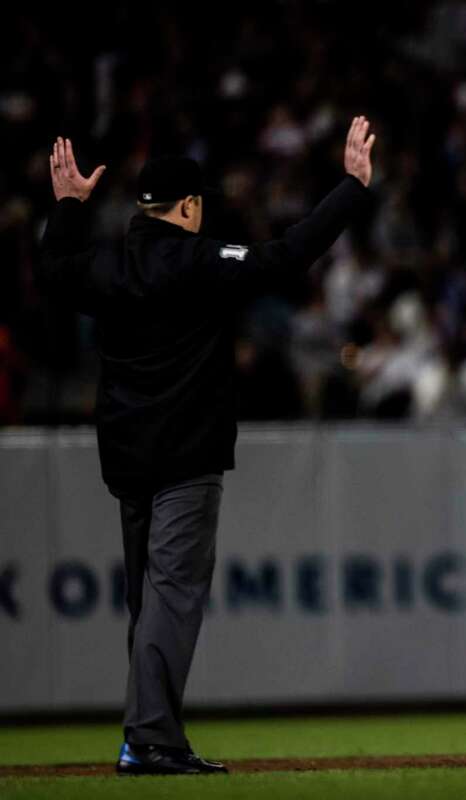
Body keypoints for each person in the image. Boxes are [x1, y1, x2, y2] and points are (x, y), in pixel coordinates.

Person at [38, 117, 376, 775]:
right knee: (171, 595)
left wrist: (70, 207)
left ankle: (147, 734)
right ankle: (152, 740)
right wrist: (351, 188)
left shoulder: (107, 264)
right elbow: (286, 254)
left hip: (126, 459)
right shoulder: (199, 260)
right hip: (186, 457)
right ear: (189, 206)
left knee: (149, 602)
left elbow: (53, 272)